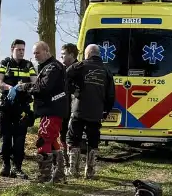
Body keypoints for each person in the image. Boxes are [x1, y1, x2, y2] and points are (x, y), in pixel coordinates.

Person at [20, 41, 68, 183]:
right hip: (51, 109)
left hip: (52, 109)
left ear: (47, 51)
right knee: (52, 141)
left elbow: (43, 87)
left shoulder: (53, 67)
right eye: (34, 53)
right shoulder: (49, 66)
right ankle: (58, 176)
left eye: (38, 52)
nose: (35, 55)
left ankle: (45, 176)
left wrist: (25, 87)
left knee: (44, 139)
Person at [66, 44, 115, 178]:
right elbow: (111, 95)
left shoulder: (79, 66)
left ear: (87, 54)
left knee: (73, 138)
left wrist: (74, 91)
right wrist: (106, 111)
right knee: (93, 140)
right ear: (98, 54)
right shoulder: (106, 70)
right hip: (96, 112)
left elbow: (64, 78)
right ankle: (90, 171)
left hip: (79, 109)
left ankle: (73, 170)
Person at [0, 39, 37, 179]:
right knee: (5, 138)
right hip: (6, 105)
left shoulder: (28, 65)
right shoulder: (5, 63)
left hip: (22, 107)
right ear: (12, 49)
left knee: (20, 140)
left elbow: (35, 83)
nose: (21, 52)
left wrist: (23, 86)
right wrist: (9, 87)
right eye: (18, 49)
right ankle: (5, 165)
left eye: (23, 50)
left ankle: (17, 167)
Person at [59, 43, 81, 175]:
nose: (61, 56)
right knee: (63, 135)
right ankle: (66, 164)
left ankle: (73, 167)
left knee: (72, 137)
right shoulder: (62, 69)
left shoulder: (79, 69)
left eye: (63, 54)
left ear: (72, 55)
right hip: (63, 108)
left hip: (75, 109)